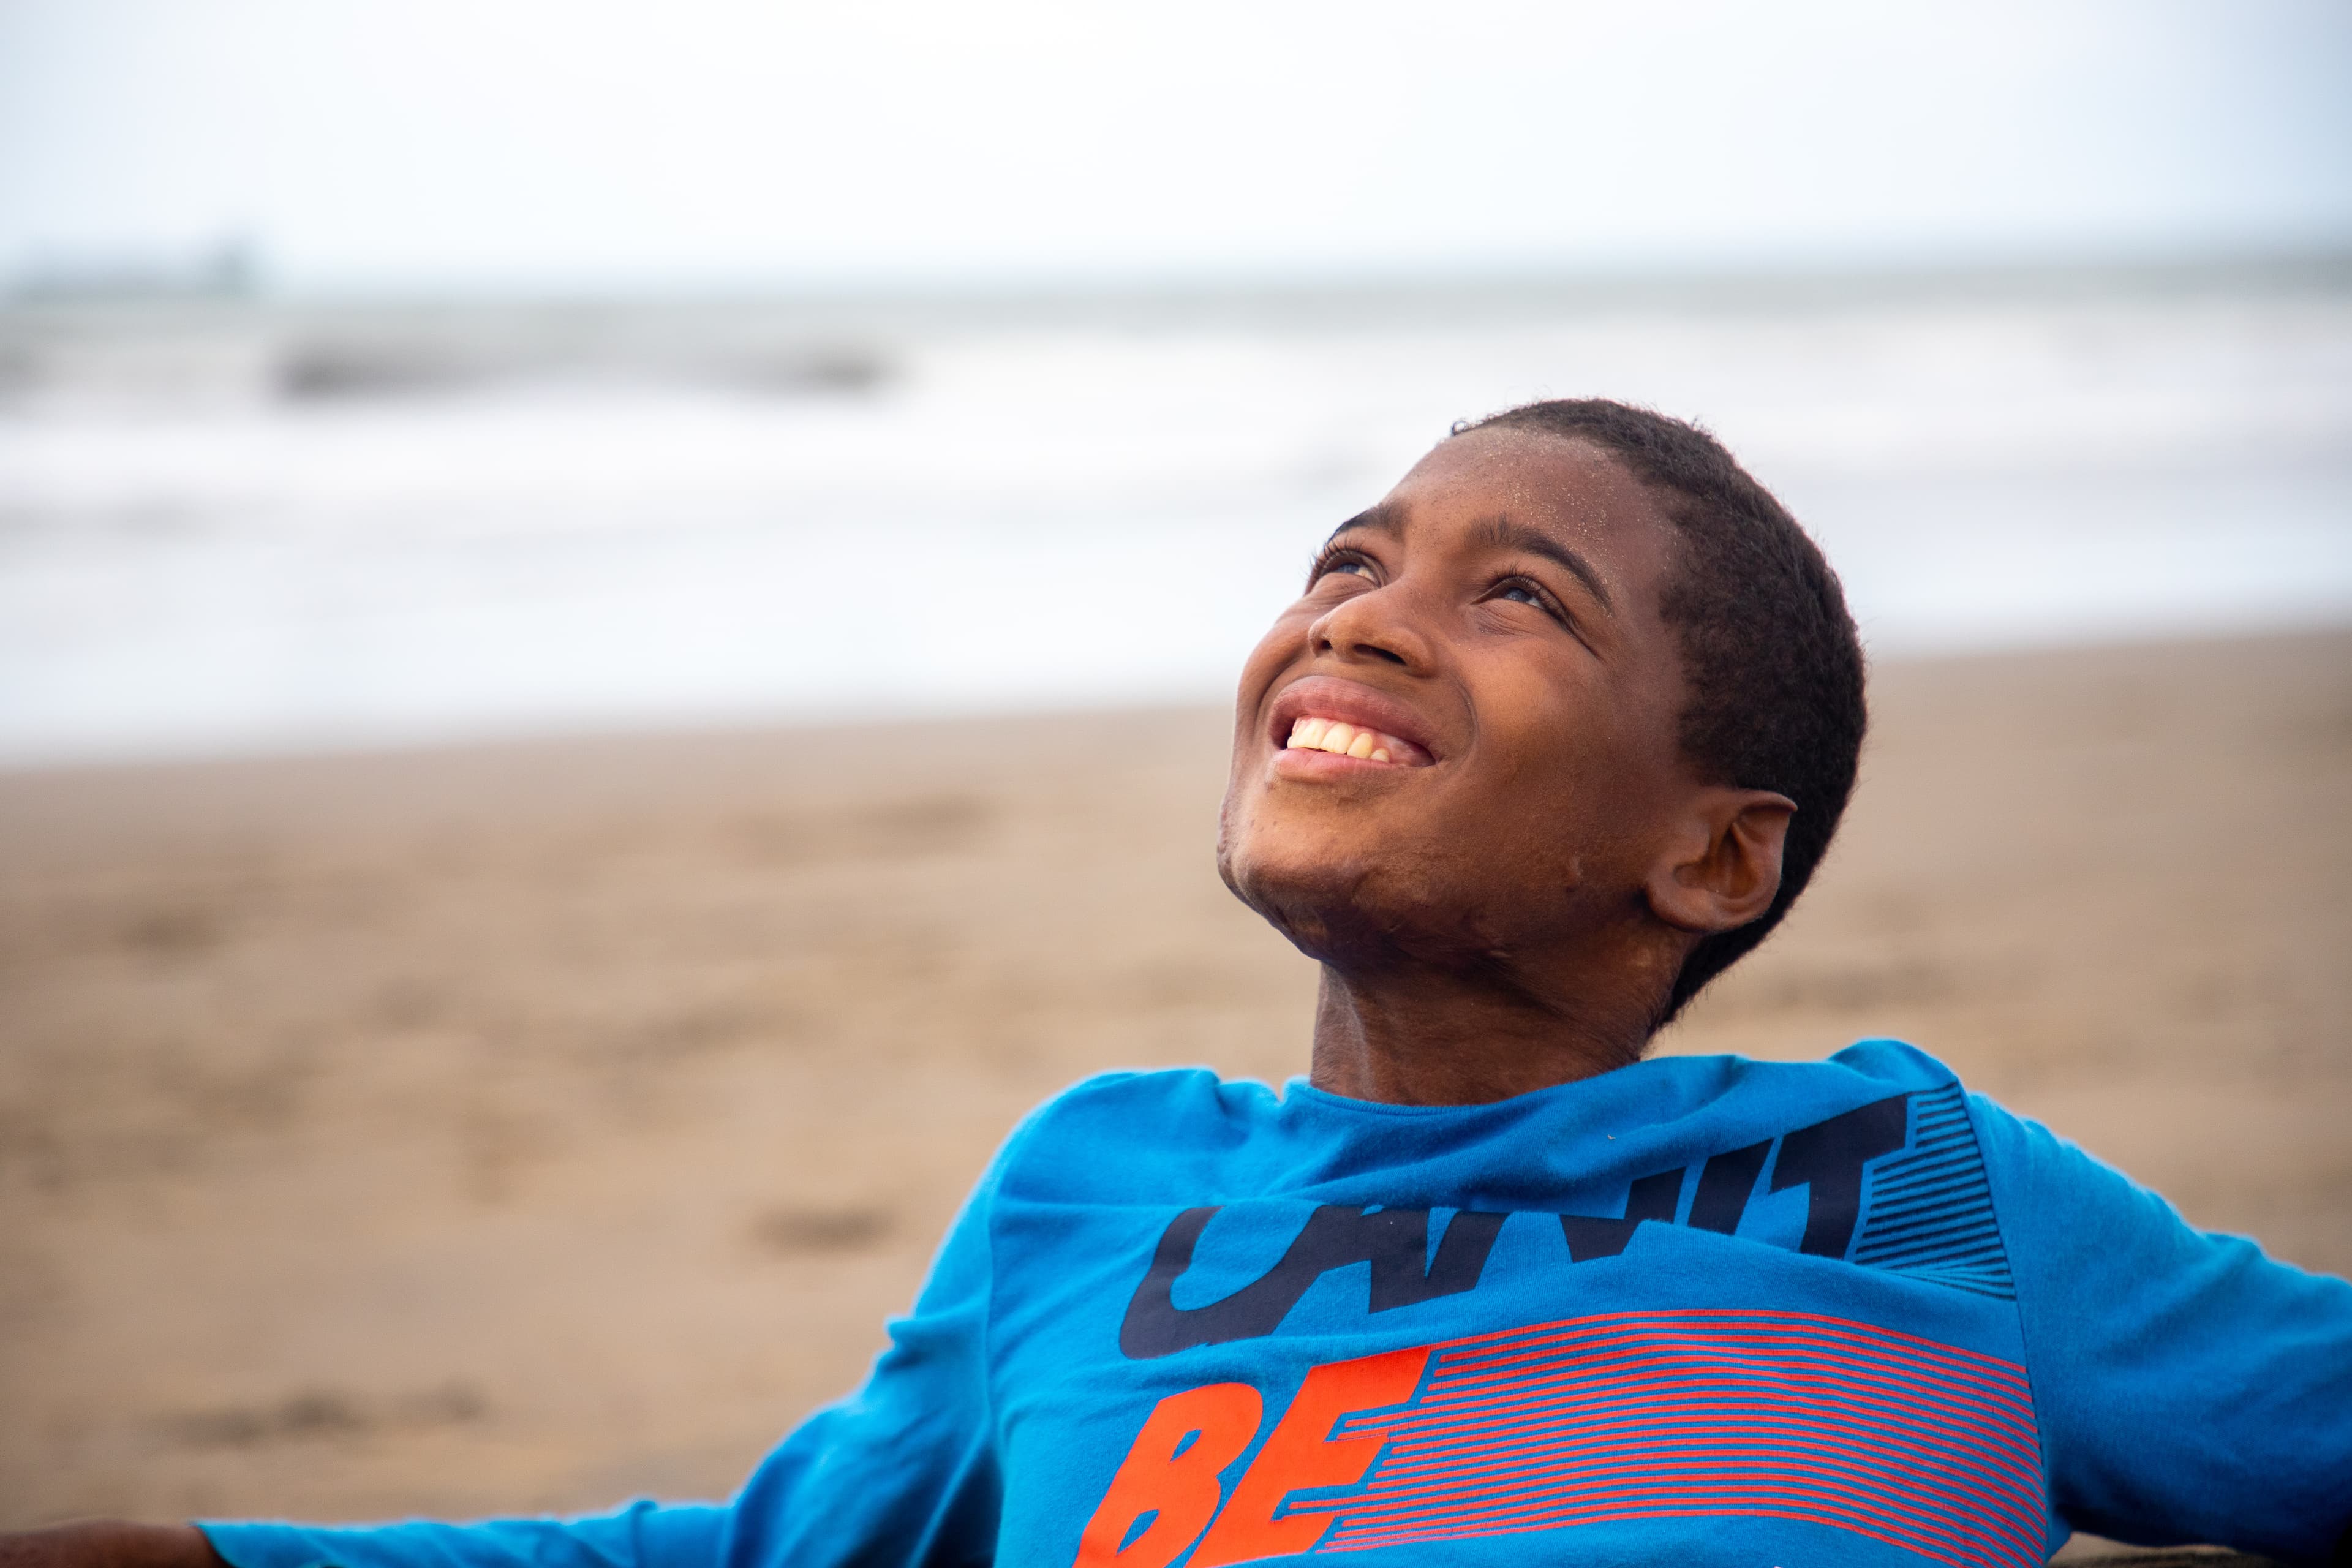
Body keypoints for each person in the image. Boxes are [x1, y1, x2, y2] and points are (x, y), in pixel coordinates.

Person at [9, 400, 2348, 1568]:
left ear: (1709, 853)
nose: (1359, 614)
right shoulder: (1094, 1198)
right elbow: (722, 1561)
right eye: (1345, 558)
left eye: (1519, 595)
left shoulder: (1910, 1181)